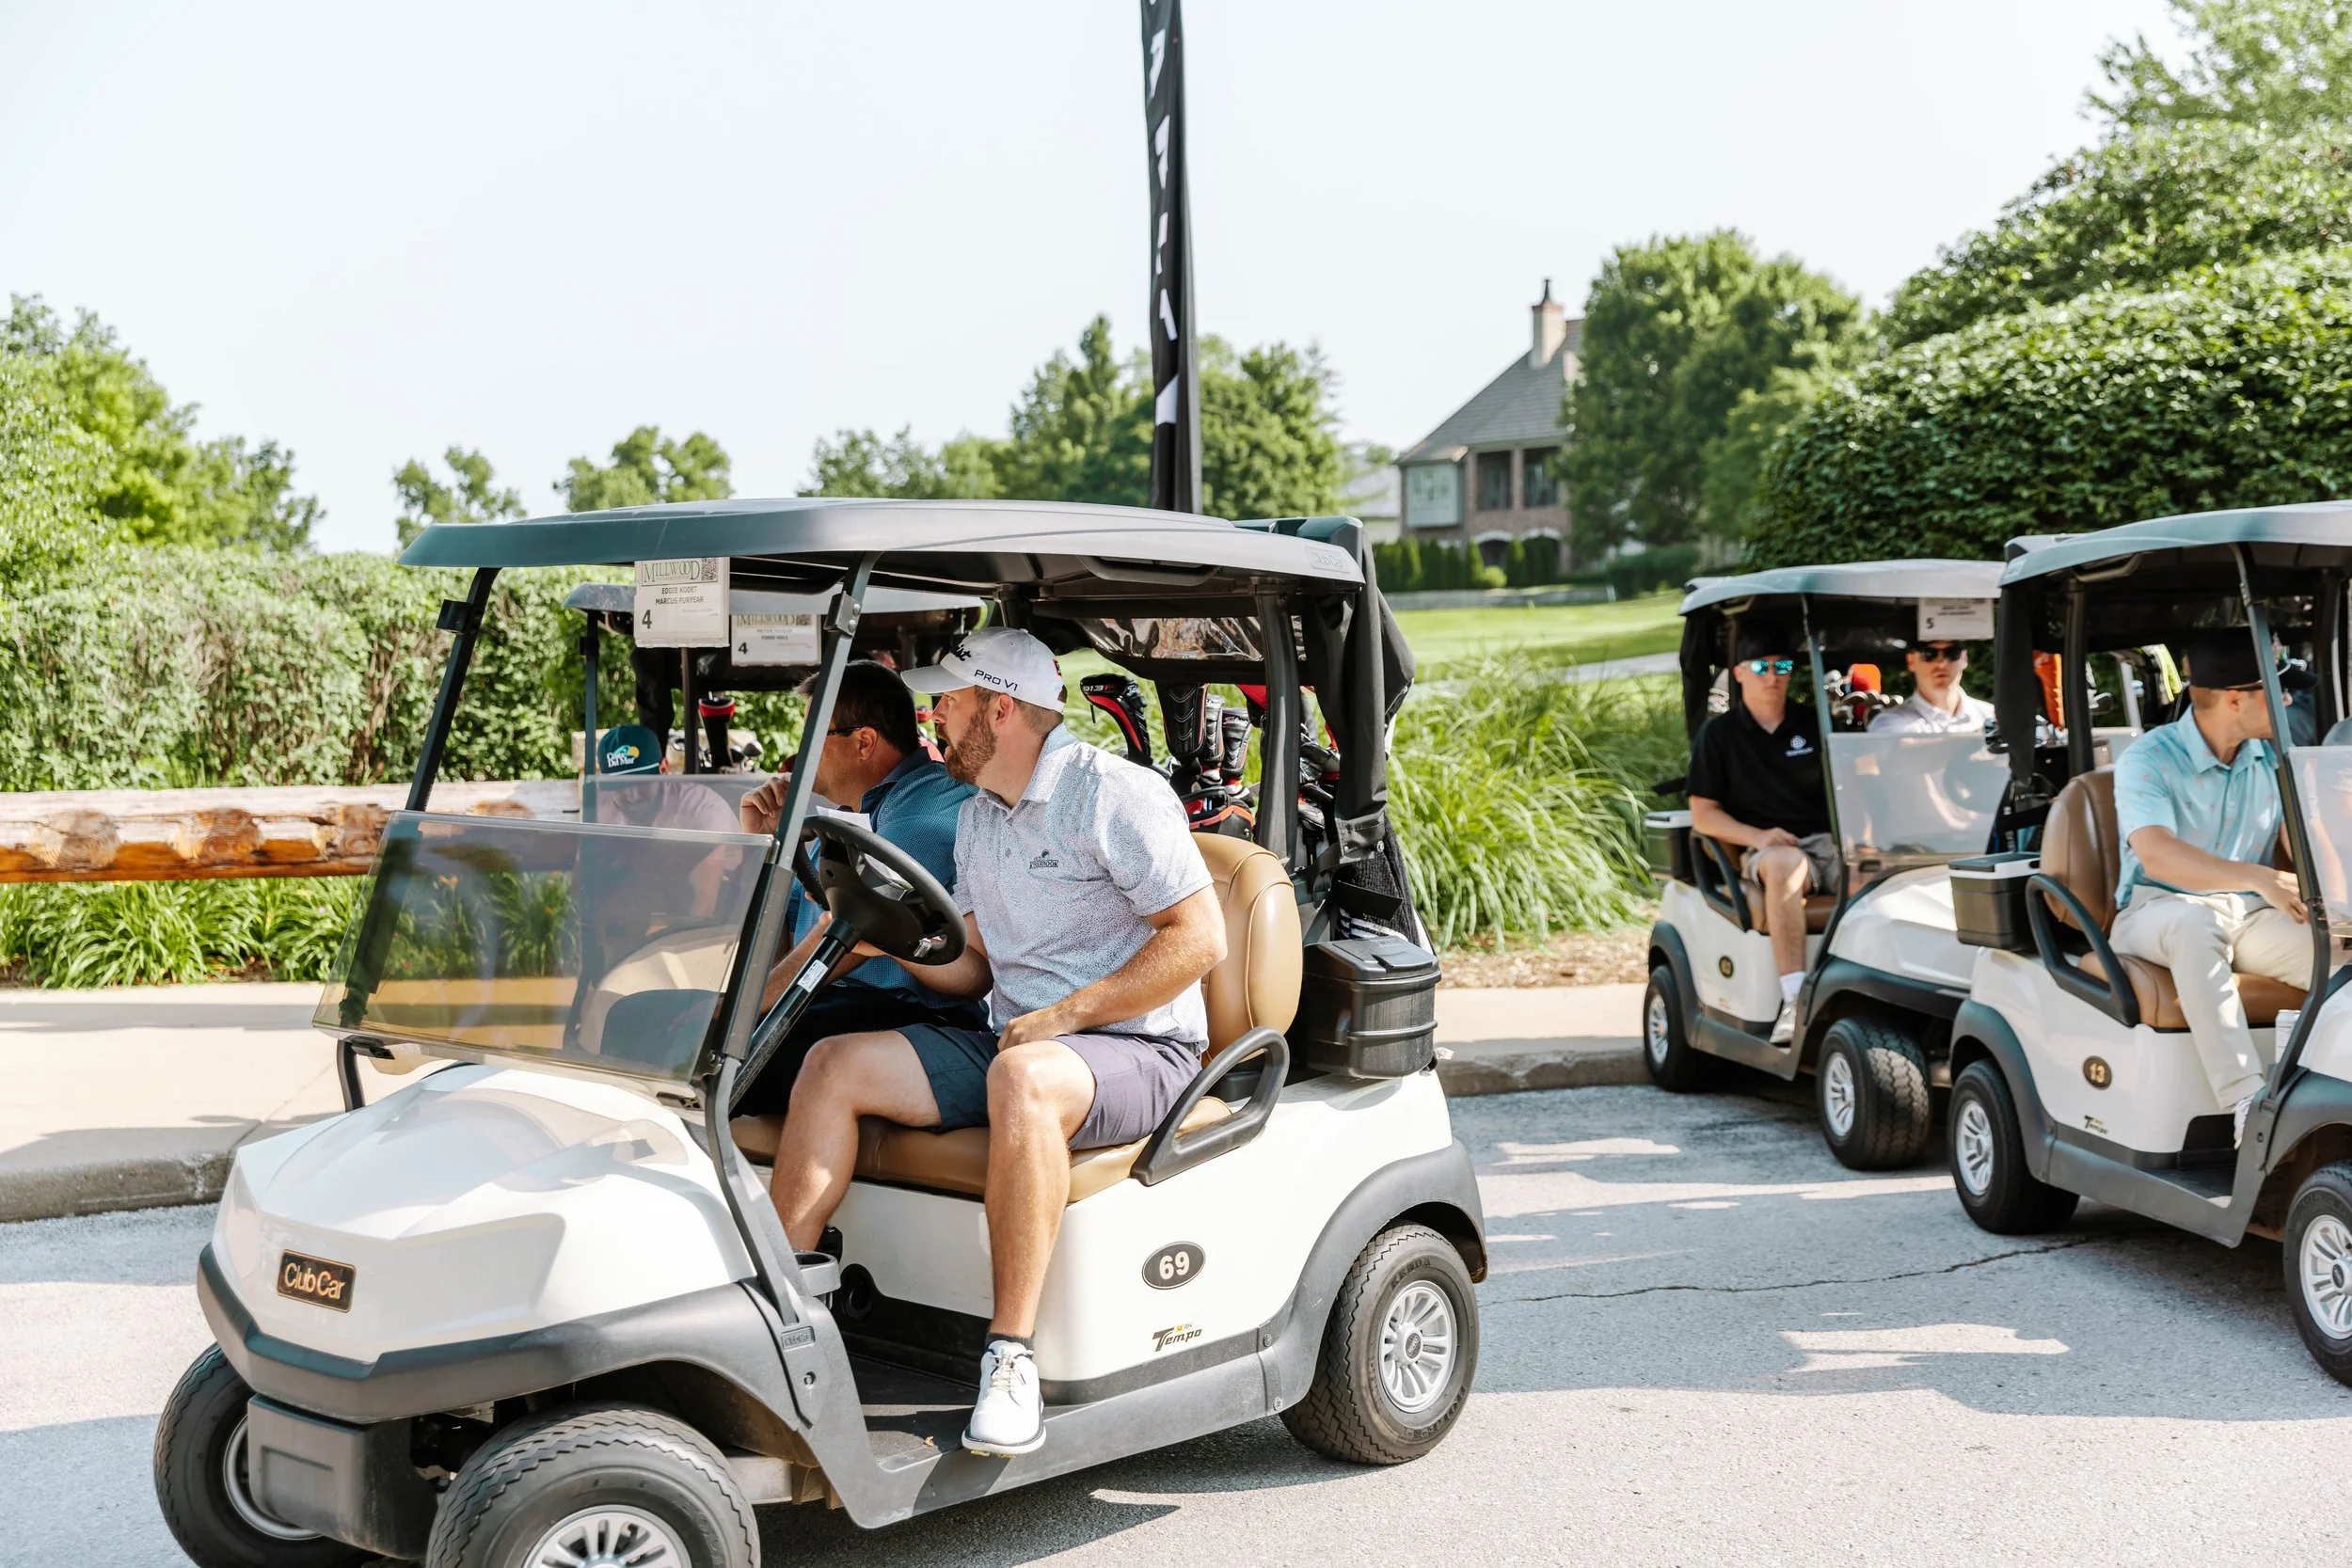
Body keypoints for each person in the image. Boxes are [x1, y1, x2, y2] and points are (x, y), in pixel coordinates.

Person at [762, 627, 1226, 1458]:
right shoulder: (980, 817)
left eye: (949, 701)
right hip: (1018, 1036)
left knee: (1023, 1079)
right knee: (833, 1064)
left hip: (1138, 1050)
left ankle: (1011, 1358)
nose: (934, 716)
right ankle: (784, 1317)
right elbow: (973, 969)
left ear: (1000, 710)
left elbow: (1199, 939)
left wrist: (1068, 1016)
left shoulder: (1113, 793)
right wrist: (887, 938)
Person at [733, 660, 984, 1114]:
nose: (800, 752)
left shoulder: (921, 815)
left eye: (813, 738)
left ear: (864, 742)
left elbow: (845, 940)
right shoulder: (848, 819)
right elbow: (781, 943)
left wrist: (738, 1011)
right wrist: (767, 847)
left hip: (901, 1016)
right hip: (836, 1006)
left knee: (719, 1056)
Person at [2109, 628, 2313, 1145]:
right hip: (2157, 910)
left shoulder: (2269, 755)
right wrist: (2258, 876)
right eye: (2277, 688)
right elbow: (2157, 853)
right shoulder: (2148, 759)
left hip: (2249, 914)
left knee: (2335, 951)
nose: (2289, 699)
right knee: (2195, 922)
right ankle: (2247, 1101)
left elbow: (2305, 841)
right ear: (2235, 699)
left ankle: (2321, 1088)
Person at [1687, 627, 1838, 1044]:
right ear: (1738, 672)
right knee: (1785, 866)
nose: (1772, 676)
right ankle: (1794, 1000)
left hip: (1831, 845)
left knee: (1884, 870)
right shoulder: (1718, 737)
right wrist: (1759, 837)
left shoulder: (1815, 723)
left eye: (1782, 667)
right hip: (1769, 851)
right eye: (1761, 667)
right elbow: (1703, 815)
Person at [1869, 638, 1994, 734]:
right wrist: (1977, 742)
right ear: (1911, 661)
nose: (1942, 663)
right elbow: (1897, 754)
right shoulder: (1888, 722)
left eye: (1952, 653)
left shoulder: (1991, 715)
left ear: (1964, 658)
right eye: (1929, 654)